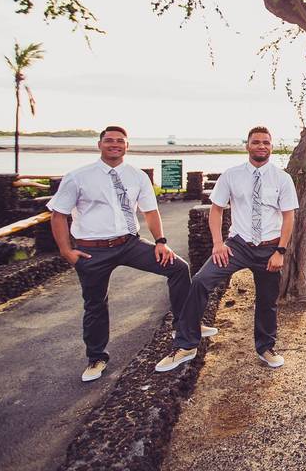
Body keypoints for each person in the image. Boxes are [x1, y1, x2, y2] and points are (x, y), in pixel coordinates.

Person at [47, 125, 206, 383]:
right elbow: (59, 214)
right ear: (99, 145)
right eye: (109, 140)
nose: (114, 144)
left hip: (128, 243)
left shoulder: (137, 176)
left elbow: (150, 212)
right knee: (95, 304)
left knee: (177, 267)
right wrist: (67, 251)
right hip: (91, 250)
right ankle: (96, 357)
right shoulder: (78, 177)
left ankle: (184, 326)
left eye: (120, 141)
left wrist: (161, 242)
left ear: (127, 146)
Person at [155, 126, 298, 372]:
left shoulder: (282, 178)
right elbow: (217, 209)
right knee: (200, 281)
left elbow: (288, 217)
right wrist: (218, 243)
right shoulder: (231, 175)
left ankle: (266, 347)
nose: (261, 146)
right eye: (256, 142)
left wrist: (280, 251)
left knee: (267, 300)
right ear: (247, 145)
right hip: (238, 246)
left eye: (266, 142)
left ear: (271, 147)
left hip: (269, 248)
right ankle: (186, 344)